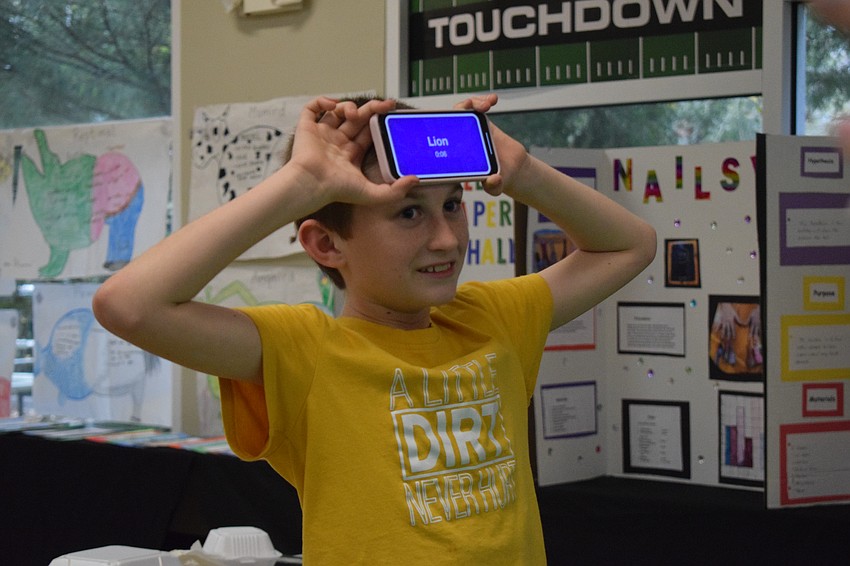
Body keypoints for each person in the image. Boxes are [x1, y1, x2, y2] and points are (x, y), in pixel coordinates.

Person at [93, 93, 656, 564]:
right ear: (325, 244)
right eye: (409, 213)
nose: (446, 239)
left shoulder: (492, 320)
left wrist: (525, 172)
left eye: (453, 205)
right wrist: (301, 182)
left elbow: (632, 244)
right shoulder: (307, 351)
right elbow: (130, 304)